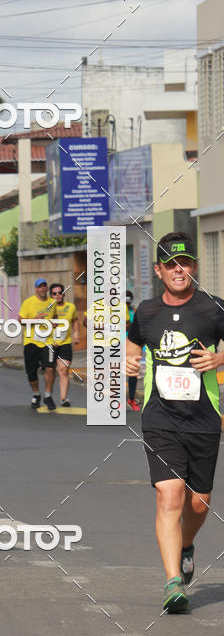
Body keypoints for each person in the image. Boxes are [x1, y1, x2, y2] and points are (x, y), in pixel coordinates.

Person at [126, 232, 224, 613]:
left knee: (199, 504)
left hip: (203, 419)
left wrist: (219, 361)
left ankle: (186, 544)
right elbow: (134, 345)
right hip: (160, 418)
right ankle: (173, 582)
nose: (178, 270)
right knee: (170, 495)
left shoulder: (214, 309)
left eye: (184, 263)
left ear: (194, 267)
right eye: (170, 264)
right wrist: (129, 363)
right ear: (159, 270)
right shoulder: (147, 312)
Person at [19, 278, 57, 410]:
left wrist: (55, 326)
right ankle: (36, 394)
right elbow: (20, 321)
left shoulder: (52, 303)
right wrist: (34, 320)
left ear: (47, 288)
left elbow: (55, 318)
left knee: (50, 368)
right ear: (36, 289)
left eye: (44, 286)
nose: (43, 289)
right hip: (31, 342)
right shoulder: (28, 303)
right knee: (31, 372)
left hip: (48, 341)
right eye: (40, 287)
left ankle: (47, 395)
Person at [49, 283, 79, 407]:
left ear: (64, 294)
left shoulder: (71, 307)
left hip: (65, 343)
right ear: (51, 295)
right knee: (50, 371)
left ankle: (63, 399)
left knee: (63, 370)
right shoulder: (47, 307)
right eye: (55, 293)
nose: (58, 295)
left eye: (60, 292)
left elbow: (75, 320)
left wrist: (76, 333)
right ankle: (47, 395)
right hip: (50, 344)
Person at [126, 291, 140, 411]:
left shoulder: (134, 311)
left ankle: (131, 399)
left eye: (129, 301)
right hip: (117, 344)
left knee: (133, 373)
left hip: (133, 345)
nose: (127, 303)